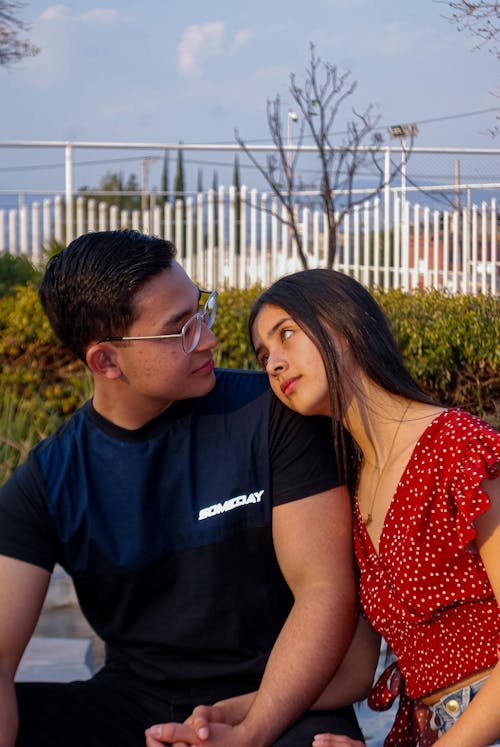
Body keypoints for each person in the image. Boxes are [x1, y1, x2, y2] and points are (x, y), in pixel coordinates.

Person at [0, 232, 374, 747]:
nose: (207, 339)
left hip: (282, 696)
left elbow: (324, 590)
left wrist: (249, 730)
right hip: (135, 705)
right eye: (179, 331)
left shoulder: (268, 415)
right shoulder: (48, 481)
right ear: (106, 362)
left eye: (201, 311)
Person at [248, 269, 500, 747]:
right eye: (264, 356)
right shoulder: (354, 490)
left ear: (345, 324)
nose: (274, 364)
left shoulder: (461, 449)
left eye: (285, 335)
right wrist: (238, 716)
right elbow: (355, 674)